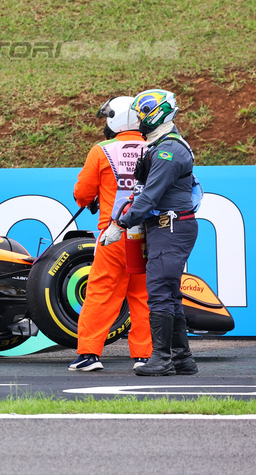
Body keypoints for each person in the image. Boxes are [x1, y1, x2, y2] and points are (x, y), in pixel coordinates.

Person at [111, 89, 200, 377]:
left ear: (156, 114)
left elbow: (148, 197)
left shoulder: (168, 150)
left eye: (142, 114)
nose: (138, 120)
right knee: (169, 295)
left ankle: (162, 359)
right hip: (167, 226)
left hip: (170, 226)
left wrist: (120, 224)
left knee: (161, 294)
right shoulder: (161, 146)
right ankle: (182, 359)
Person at [67, 96, 151, 372]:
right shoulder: (156, 147)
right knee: (143, 296)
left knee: (101, 292)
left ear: (116, 119)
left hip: (113, 235)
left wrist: (94, 197)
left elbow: (82, 194)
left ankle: (89, 354)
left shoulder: (102, 150)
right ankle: (145, 356)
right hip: (150, 235)